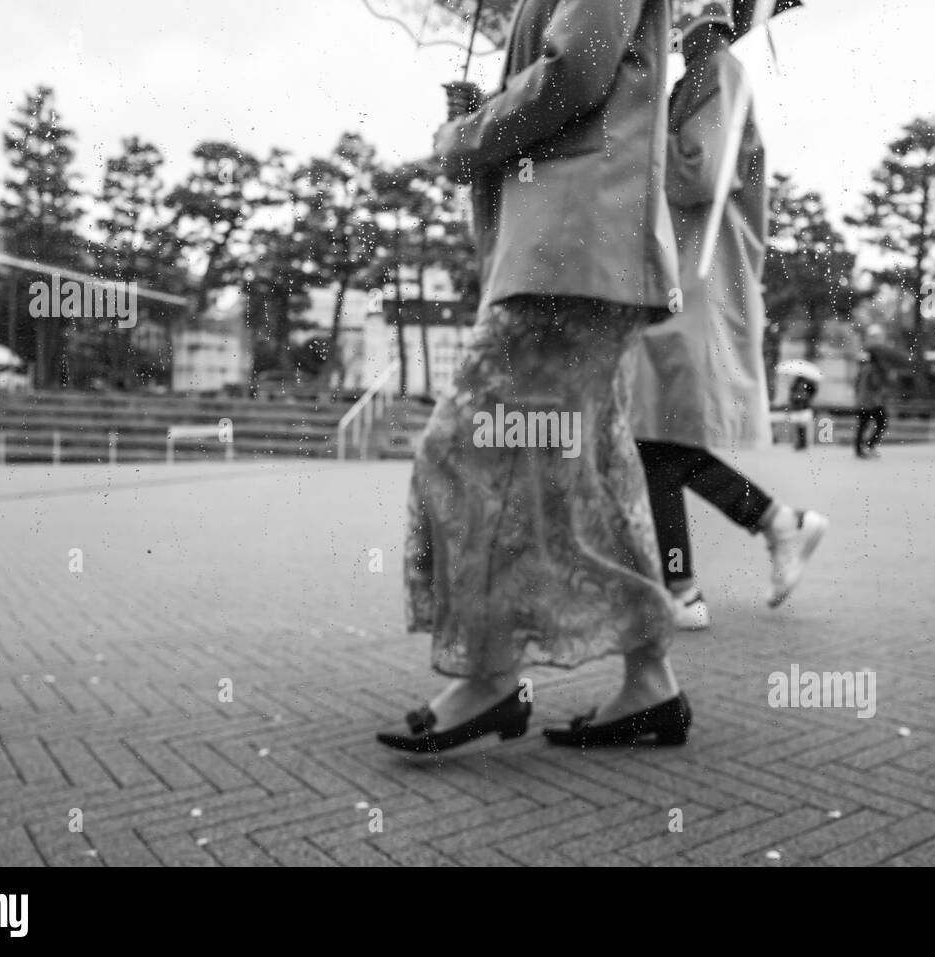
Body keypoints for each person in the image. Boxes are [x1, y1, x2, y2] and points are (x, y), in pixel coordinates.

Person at [377, 0, 692, 754]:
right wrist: (486, 119)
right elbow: (581, 80)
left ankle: (488, 676)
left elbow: (575, 76)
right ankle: (649, 678)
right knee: (592, 470)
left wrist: (468, 135)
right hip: (581, 252)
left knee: (462, 452)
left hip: (566, 253)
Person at [627, 1, 828, 630]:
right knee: (657, 435)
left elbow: (703, 176)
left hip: (700, 283)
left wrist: (640, 146)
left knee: (654, 436)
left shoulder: (719, 73)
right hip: (683, 279)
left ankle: (688, 583)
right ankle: (765, 531)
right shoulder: (696, 80)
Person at [854, 352, 890, 458]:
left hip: (861, 402)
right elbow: (876, 385)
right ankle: (870, 444)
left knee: (862, 426)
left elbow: (857, 387)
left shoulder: (862, 371)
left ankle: (859, 449)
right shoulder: (872, 370)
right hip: (872, 403)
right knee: (882, 422)